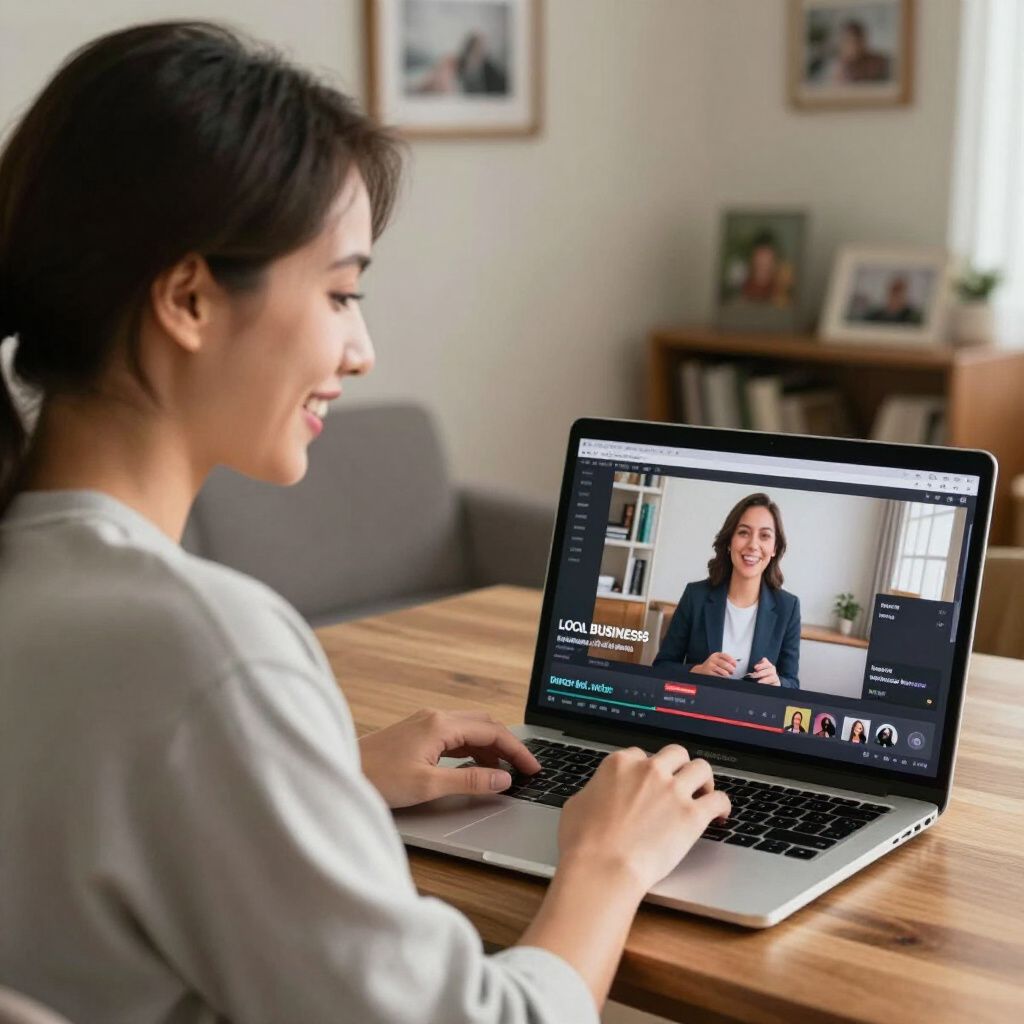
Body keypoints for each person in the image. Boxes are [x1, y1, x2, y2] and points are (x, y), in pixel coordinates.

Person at [0, 22, 731, 1024]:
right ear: (188, 297)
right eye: (342, 292)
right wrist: (608, 861)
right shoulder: (205, 647)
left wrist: (319, 784)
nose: (362, 349)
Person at [653, 493, 801, 687]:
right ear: (730, 541)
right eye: (743, 532)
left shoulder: (788, 608)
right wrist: (697, 671)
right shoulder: (695, 596)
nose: (753, 545)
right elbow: (661, 667)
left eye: (764, 536)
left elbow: (792, 683)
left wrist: (778, 683)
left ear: (774, 548)